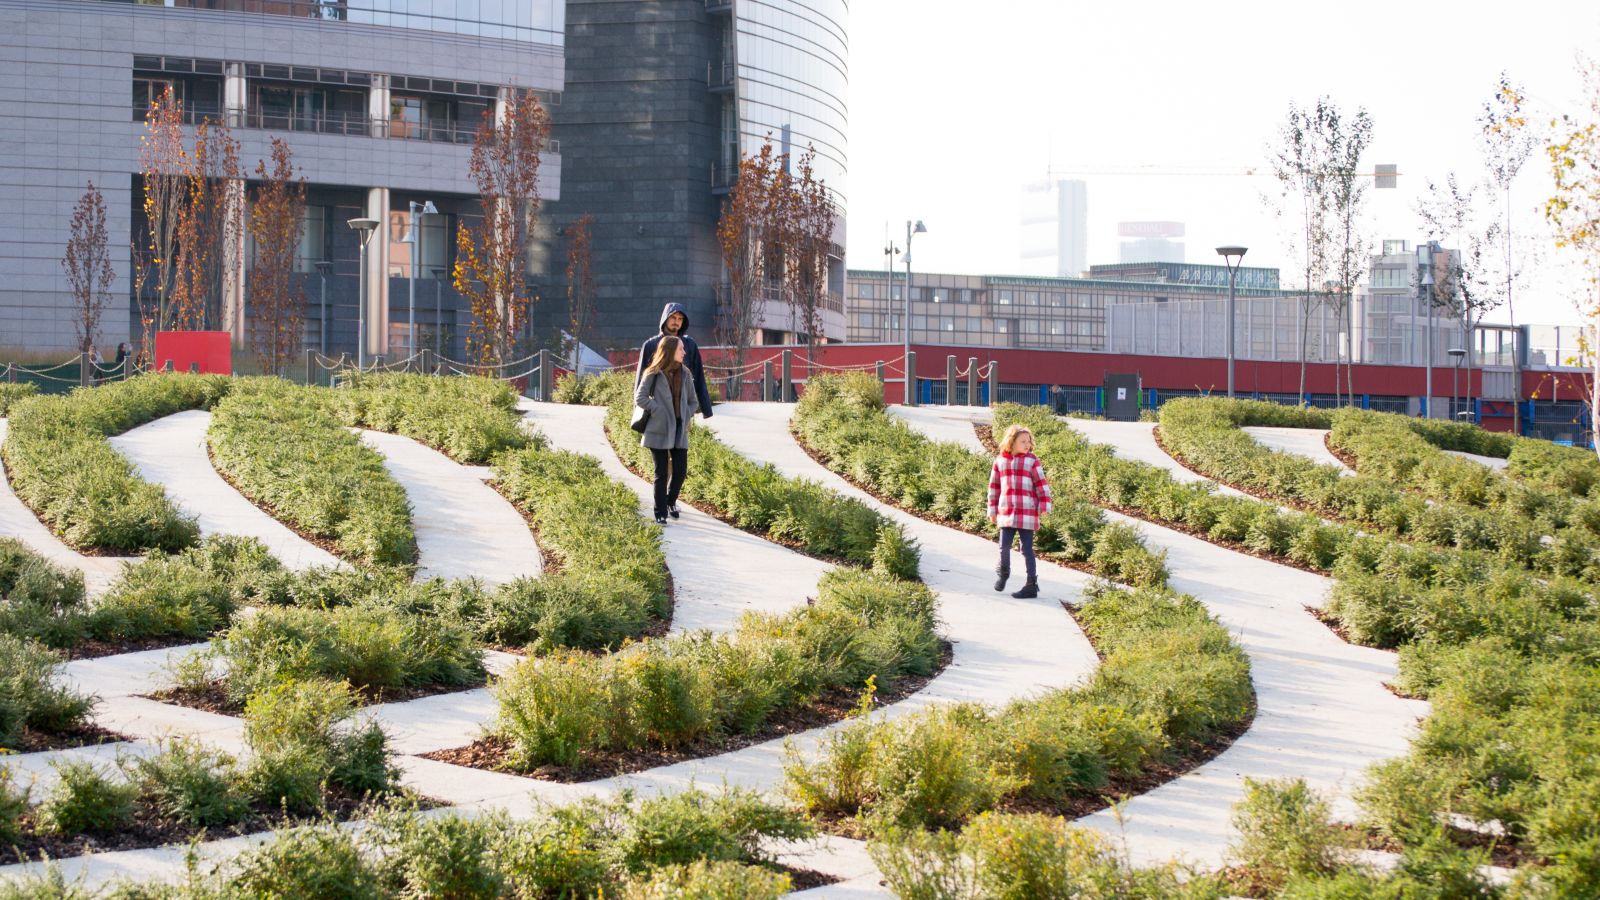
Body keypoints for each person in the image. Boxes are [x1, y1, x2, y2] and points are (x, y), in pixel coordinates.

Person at [635, 335, 700, 525]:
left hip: (679, 429)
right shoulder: (653, 373)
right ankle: (660, 512)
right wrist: (659, 411)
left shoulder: (685, 373)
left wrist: (685, 414)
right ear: (671, 350)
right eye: (681, 349)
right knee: (661, 472)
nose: (684, 352)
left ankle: (671, 502)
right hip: (658, 429)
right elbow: (640, 398)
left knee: (680, 471)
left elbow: (693, 402)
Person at [987, 424, 1053, 599]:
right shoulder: (1000, 461)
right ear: (1011, 441)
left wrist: (1045, 504)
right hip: (1006, 511)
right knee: (1004, 545)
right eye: (1023, 441)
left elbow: (1041, 484)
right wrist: (992, 510)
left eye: (1029, 441)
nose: (1027, 444)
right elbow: (993, 487)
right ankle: (1003, 573)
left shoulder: (1032, 460)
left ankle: (1031, 584)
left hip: (1027, 511)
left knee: (1027, 549)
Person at [635, 302, 713, 420]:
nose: (676, 322)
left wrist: (705, 409)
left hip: (682, 408)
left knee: (681, 438)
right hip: (657, 411)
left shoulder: (689, 345)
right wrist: (638, 412)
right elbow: (640, 382)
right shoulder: (650, 345)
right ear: (665, 318)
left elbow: (699, 377)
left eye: (680, 319)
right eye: (673, 317)